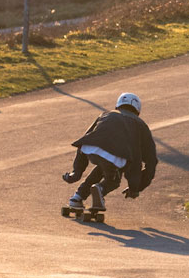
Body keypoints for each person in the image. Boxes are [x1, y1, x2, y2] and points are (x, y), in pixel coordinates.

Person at [62, 92, 157, 221]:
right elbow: (151, 161)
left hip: (90, 149)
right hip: (116, 156)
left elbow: (86, 138)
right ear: (138, 110)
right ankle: (100, 189)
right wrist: (136, 188)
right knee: (113, 180)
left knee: (103, 167)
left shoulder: (106, 114)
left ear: (118, 105)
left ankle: (77, 197)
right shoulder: (140, 125)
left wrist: (76, 172)